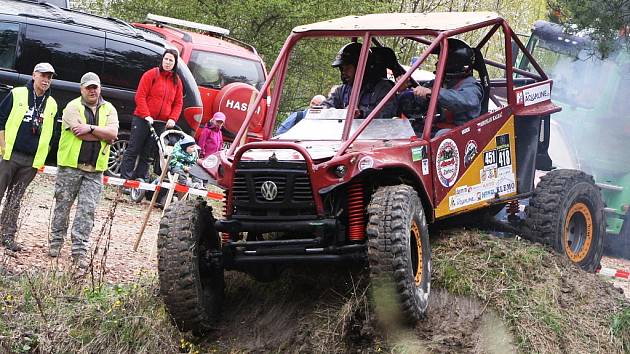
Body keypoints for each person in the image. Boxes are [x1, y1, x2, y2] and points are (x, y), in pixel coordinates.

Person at [50, 72, 118, 268]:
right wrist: (101, 134)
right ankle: (56, 242)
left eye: (95, 87)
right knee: (63, 205)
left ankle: (79, 251)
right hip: (70, 166)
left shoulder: (109, 109)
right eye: (88, 87)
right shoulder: (72, 107)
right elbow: (81, 136)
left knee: (87, 211)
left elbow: (113, 133)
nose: (92, 91)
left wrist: (88, 128)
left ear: (99, 88)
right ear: (82, 89)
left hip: (95, 170)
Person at [0, 63, 58, 251]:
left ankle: (7, 236)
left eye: (49, 77)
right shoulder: (17, 93)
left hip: (31, 161)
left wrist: (43, 154)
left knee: (15, 199)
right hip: (9, 155)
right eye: (43, 75)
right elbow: (1, 119)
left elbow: (52, 132)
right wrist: (2, 146)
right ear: (34, 75)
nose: (46, 80)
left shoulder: (52, 103)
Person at [119, 48, 183, 182]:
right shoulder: (151, 74)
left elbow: (178, 103)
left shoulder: (176, 81)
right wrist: (146, 114)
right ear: (162, 59)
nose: (167, 62)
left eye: (171, 60)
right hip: (143, 119)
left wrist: (172, 118)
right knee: (134, 148)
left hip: (160, 122)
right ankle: (126, 180)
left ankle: (140, 179)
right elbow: (140, 96)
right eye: (166, 59)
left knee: (148, 152)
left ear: (175, 63)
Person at [412, 38, 483, 129]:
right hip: (440, 128)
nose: (437, 63)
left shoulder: (472, 87)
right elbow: (423, 96)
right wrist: (412, 91)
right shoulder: (443, 82)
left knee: (440, 136)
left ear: (452, 63)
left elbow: (460, 101)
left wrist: (432, 93)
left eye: (440, 59)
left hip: (462, 133)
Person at [321, 42, 397, 119]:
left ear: (361, 68)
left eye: (347, 68)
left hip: (372, 130)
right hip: (345, 130)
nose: (344, 72)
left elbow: (387, 115)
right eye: (342, 68)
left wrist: (361, 114)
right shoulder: (342, 90)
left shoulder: (383, 88)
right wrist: (338, 112)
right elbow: (324, 107)